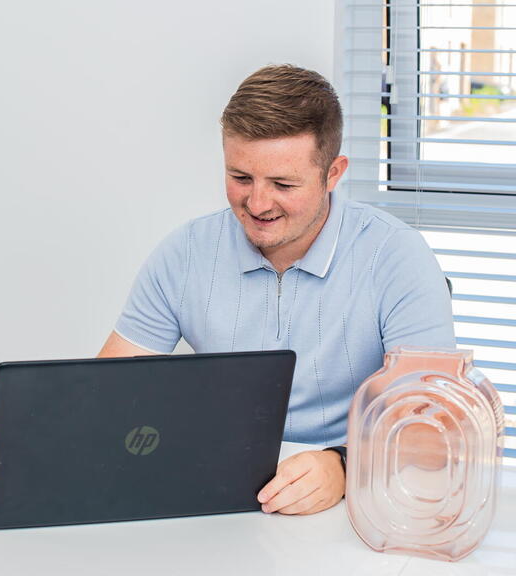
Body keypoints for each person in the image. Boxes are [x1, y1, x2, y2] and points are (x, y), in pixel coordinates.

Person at [98, 65, 455, 515]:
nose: (258, 204)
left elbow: (434, 427)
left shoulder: (397, 256)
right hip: (217, 489)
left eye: (284, 184)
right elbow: (105, 395)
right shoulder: (184, 252)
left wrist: (344, 465)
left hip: (356, 492)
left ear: (333, 173)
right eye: (241, 178)